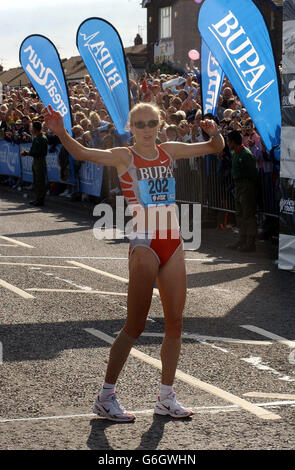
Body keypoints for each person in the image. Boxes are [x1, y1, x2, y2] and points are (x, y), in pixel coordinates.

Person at [45, 102, 224, 423]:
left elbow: (213, 148)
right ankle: (105, 396)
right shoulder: (123, 156)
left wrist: (216, 133)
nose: (145, 128)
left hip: (173, 242)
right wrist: (60, 133)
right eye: (139, 123)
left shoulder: (169, 150)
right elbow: (83, 153)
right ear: (131, 127)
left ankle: (166, 396)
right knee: (135, 326)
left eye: (150, 122)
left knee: (175, 324)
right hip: (145, 244)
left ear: (159, 124)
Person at [226, 130, 258, 252]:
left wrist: (249, 187)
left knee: (248, 214)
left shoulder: (246, 154)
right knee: (240, 214)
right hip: (238, 186)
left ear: (234, 142)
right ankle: (242, 239)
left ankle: (250, 243)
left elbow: (254, 173)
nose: (228, 143)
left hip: (246, 186)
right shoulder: (236, 154)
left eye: (229, 141)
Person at [20, 121, 48, 207]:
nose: (31, 129)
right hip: (35, 161)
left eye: (32, 127)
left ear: (35, 129)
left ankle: (41, 200)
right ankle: (37, 198)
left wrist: (29, 153)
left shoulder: (42, 138)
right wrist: (28, 153)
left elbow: (42, 152)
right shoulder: (36, 138)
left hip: (40, 161)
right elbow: (33, 151)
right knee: (36, 180)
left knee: (40, 181)